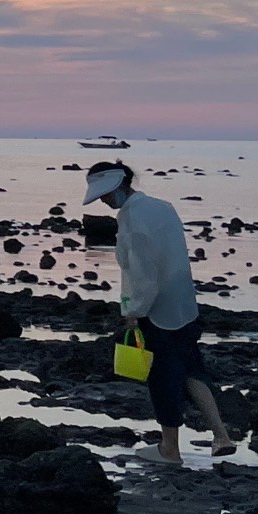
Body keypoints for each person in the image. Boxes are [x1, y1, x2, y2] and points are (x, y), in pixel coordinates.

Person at [86, 160, 237, 463]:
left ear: (119, 186)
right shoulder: (163, 207)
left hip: (156, 311)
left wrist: (133, 312)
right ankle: (221, 434)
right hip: (184, 303)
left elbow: (144, 273)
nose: (103, 200)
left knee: (163, 378)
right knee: (192, 369)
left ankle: (170, 448)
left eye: (105, 194)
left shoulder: (132, 219)